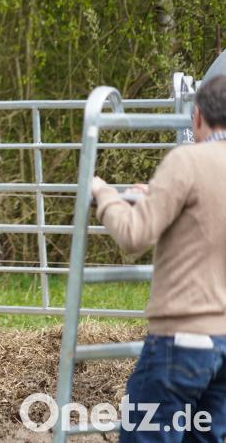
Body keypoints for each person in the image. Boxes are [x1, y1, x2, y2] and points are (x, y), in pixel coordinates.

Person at [92, 75, 226, 442]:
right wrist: (157, 195)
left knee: (146, 434)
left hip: (182, 340)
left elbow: (134, 235)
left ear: (196, 116)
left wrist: (106, 196)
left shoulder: (187, 162)